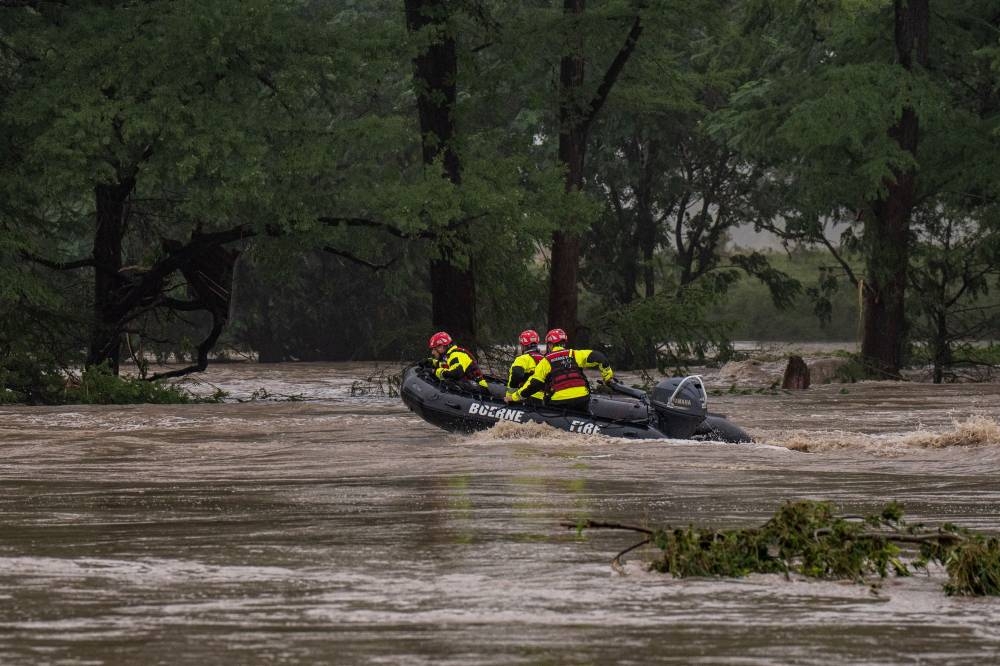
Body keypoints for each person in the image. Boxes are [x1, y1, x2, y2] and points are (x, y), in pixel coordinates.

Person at [505, 328, 615, 413]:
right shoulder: (575, 354)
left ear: (550, 344)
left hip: (559, 402)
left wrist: (513, 397)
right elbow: (600, 357)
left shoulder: (546, 361)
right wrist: (607, 377)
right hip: (582, 399)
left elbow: (534, 384)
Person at [506, 329, 545, 406]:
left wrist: (510, 396)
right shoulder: (545, 359)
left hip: (527, 397)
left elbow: (516, 375)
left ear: (523, 345)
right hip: (543, 398)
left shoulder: (522, 359)